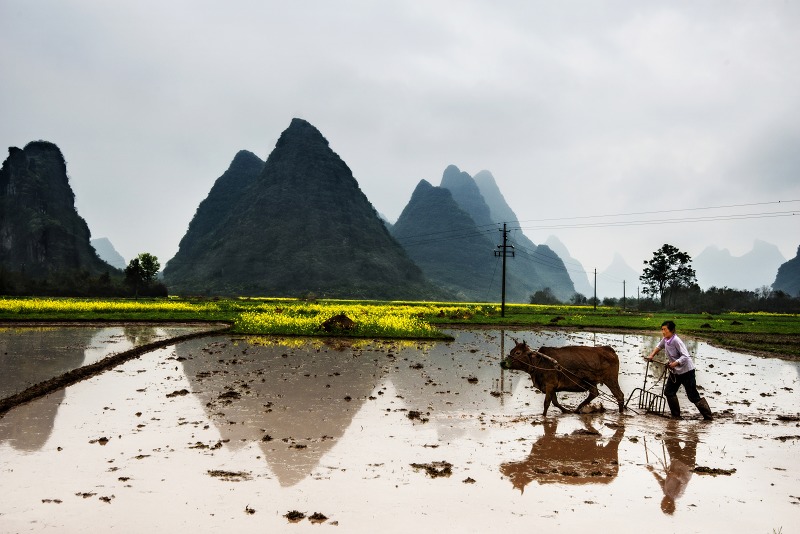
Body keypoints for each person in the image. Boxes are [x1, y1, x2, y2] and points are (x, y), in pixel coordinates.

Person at [647, 320, 713, 420]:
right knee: (669, 392)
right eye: (662, 329)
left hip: (687, 371)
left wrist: (675, 363)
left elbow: (685, 356)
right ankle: (676, 416)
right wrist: (652, 355)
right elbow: (659, 346)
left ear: (671, 330)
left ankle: (708, 417)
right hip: (675, 372)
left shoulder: (676, 341)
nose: (663, 332)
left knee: (692, 396)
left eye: (665, 329)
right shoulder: (665, 339)